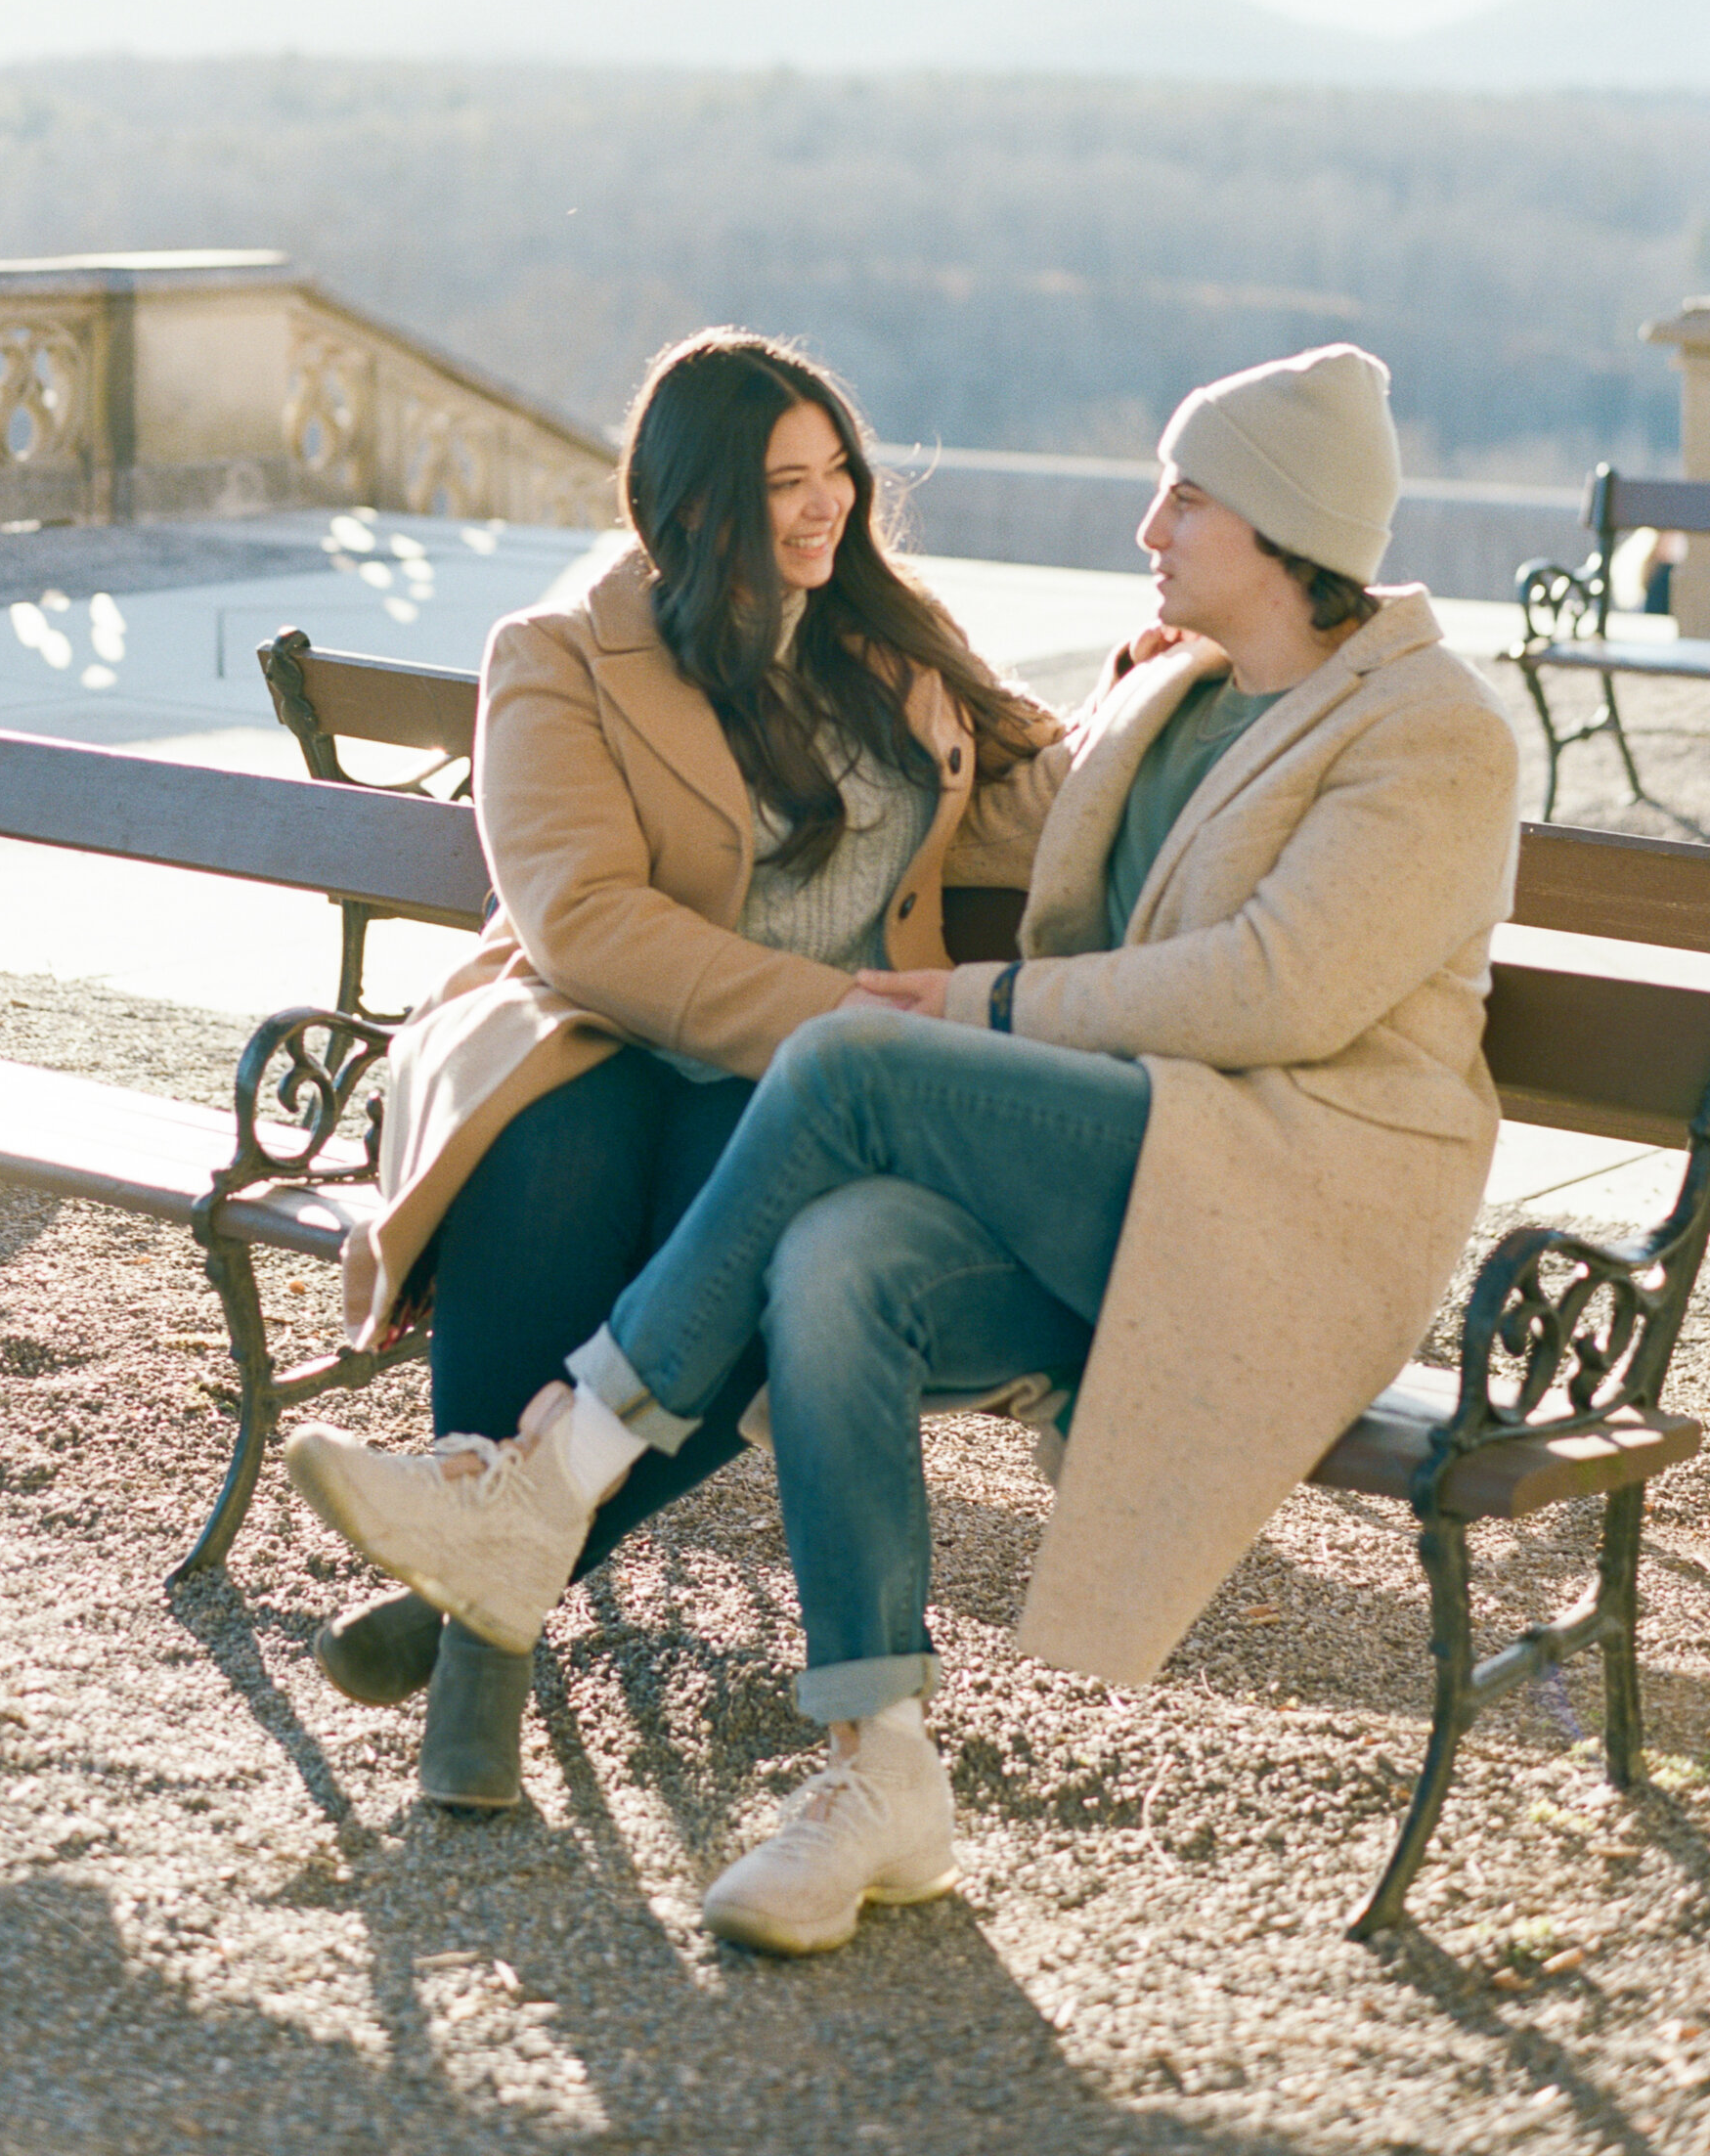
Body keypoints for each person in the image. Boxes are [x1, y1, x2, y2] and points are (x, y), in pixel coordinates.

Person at [286, 342, 1522, 1952]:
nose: (1145, 523)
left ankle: (532, 1499)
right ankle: (883, 1778)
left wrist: (970, 1001)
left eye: (1186, 494)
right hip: (1052, 1143)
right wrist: (1081, 755)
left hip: (1273, 1192)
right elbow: (1005, 818)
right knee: (825, 1258)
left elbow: (1274, 980)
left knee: (859, 1062)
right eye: (779, 485)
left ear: (1283, 527)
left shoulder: (1431, 728)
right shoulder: (1178, 689)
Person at [313, 326, 1056, 1810]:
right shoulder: (558, 656)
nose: (827, 505)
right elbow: (581, 919)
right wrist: (833, 1021)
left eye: (838, 472)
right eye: (786, 479)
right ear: (692, 497)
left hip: (794, 1087)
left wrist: (1165, 697)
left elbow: (1048, 806)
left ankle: (476, 1606)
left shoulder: (893, 657)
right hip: (588, 1029)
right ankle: (482, 1669)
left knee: (763, 1273)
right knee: (553, 1161)